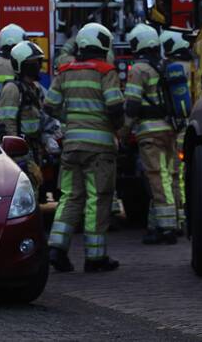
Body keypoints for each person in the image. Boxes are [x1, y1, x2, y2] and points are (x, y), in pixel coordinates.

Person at [45, 22, 124, 273]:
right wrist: (117, 128)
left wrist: (69, 121)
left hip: (71, 147)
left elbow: (50, 105)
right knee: (97, 199)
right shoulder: (105, 71)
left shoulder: (65, 71)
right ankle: (95, 257)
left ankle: (56, 248)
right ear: (103, 44)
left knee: (70, 197)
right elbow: (114, 106)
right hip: (99, 149)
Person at [125, 23, 178, 245]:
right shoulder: (164, 65)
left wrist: (123, 132)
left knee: (157, 178)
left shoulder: (138, 70)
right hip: (169, 129)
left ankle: (167, 228)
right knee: (169, 177)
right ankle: (160, 224)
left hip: (150, 132)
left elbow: (132, 105)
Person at [0, 41, 48, 192]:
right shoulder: (12, 89)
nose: (38, 66)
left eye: (39, 61)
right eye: (34, 63)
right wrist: (18, 157)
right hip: (21, 152)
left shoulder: (36, 88)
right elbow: (7, 124)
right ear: (22, 65)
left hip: (34, 148)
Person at [161, 29, 194, 232]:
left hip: (180, 128)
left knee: (177, 173)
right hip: (194, 124)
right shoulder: (195, 64)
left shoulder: (173, 69)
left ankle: (181, 215)